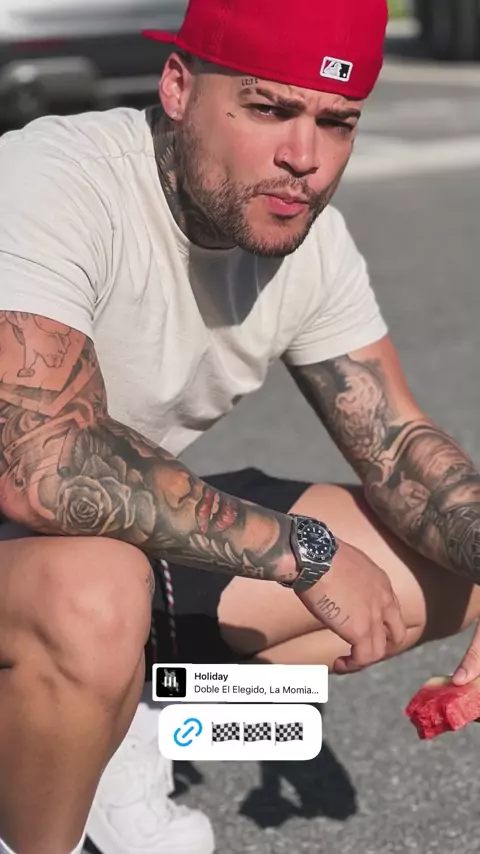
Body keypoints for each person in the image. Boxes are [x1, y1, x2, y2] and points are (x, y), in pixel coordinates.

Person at [1, 0, 480, 852]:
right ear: (179, 87)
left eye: (336, 122)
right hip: (48, 550)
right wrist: (307, 552)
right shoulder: (53, 179)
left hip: (81, 554)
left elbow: (399, 446)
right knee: (92, 592)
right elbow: (44, 463)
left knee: (449, 570)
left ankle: (110, 724)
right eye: (269, 109)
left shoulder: (307, 239)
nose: (304, 158)